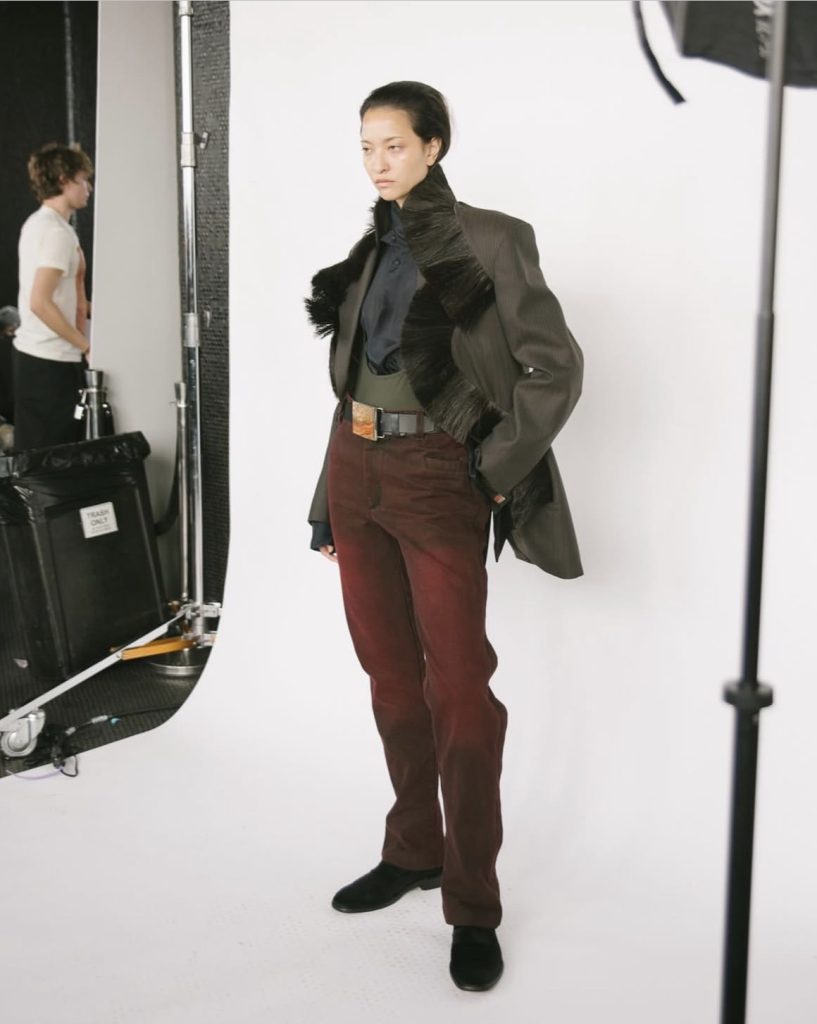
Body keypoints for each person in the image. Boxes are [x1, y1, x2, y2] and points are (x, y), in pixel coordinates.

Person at [305, 81, 583, 992]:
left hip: (438, 473)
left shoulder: (492, 238)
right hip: (355, 470)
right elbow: (351, 382)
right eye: (365, 146)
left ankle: (472, 904)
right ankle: (413, 849)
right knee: (390, 681)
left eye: (393, 144)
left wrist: (491, 470)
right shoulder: (371, 247)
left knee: (460, 692)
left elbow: (554, 367)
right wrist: (327, 496)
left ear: (433, 146)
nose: (377, 161)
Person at [13, 142, 93, 451]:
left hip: (40, 360)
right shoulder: (57, 232)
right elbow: (40, 302)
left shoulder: (40, 223)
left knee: (48, 458)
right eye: (83, 180)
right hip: (49, 362)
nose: (89, 188)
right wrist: (86, 346)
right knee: (51, 461)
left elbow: (60, 298)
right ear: (63, 180)